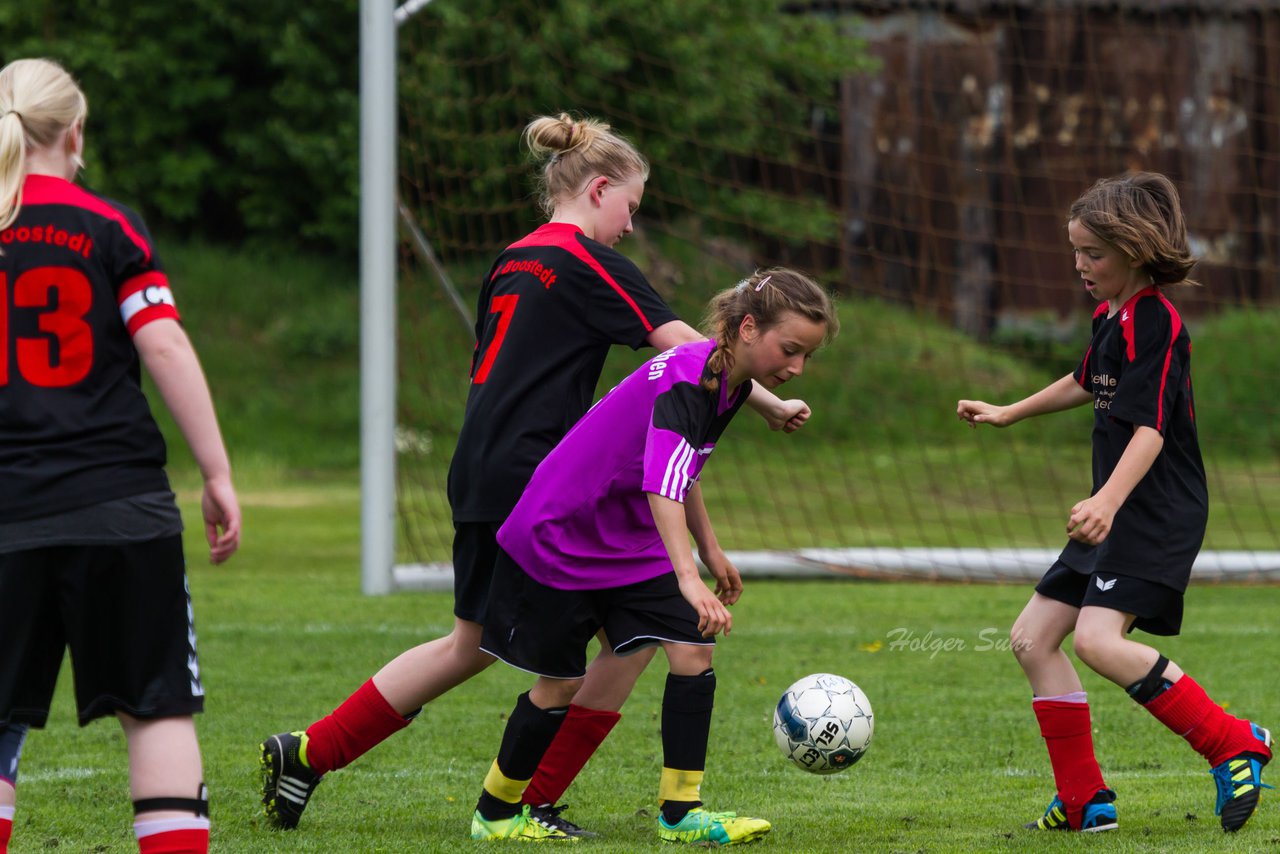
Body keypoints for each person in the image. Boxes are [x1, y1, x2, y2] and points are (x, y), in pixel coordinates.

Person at [259, 113, 810, 835]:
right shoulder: (588, 261)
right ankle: (497, 795)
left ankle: (322, 753)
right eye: (631, 210)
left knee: (575, 642)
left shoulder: (512, 256)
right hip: (540, 482)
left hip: (485, 464)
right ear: (602, 189)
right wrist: (767, 402)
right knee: (573, 646)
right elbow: (689, 353)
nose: (631, 229)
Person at [470, 268, 837, 843]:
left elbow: (681, 466)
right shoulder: (691, 379)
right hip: (563, 534)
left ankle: (681, 814)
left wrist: (711, 551)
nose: (795, 368)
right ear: (746, 327)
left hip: (621, 537)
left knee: (693, 649)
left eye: (806, 356)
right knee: (560, 683)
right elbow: (661, 482)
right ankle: (494, 814)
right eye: (790, 349)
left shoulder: (727, 380)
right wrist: (689, 578)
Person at [957, 171, 1271, 834]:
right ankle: (1083, 799)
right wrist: (1010, 412)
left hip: (1151, 509)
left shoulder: (1156, 318)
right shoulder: (1112, 316)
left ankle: (1233, 742)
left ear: (1134, 250)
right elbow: (1085, 379)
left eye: (1093, 254)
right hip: (1117, 509)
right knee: (1032, 639)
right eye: (1075, 251)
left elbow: (1152, 429)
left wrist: (1105, 500)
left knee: (1098, 640)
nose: (1079, 265)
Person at [0, 58, 241, 854]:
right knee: (157, 708)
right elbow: (164, 344)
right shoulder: (109, 225)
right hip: (120, 506)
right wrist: (216, 472)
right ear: (74, 134)